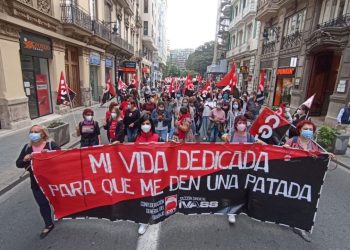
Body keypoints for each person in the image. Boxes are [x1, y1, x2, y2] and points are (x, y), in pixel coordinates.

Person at [16, 125, 60, 239]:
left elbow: (61, 159)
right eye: (31, 131)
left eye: (36, 131)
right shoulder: (27, 148)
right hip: (36, 183)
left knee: (57, 201)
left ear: (43, 134)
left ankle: (61, 212)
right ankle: (48, 224)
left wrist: (50, 154)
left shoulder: (51, 145)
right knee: (42, 203)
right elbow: (18, 163)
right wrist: (25, 159)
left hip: (52, 182)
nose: (33, 133)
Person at [134, 115, 162, 235]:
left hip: (154, 171)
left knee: (154, 194)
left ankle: (156, 212)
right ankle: (144, 220)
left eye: (148, 123)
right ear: (140, 125)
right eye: (143, 123)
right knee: (144, 196)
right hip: (142, 172)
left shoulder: (157, 137)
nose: (146, 126)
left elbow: (164, 152)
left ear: (151, 125)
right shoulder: (138, 137)